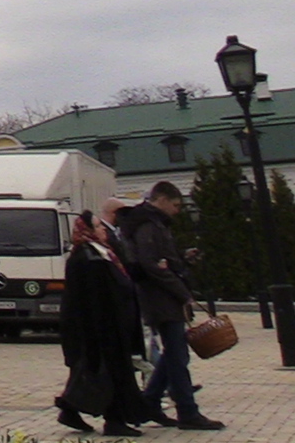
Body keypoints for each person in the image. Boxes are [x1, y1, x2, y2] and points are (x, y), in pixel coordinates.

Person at [122, 181, 223, 430]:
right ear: (162, 199)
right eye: (176, 205)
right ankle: (187, 411)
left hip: (162, 297)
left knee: (174, 353)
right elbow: (152, 264)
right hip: (160, 298)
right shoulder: (148, 224)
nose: (177, 211)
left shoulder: (152, 222)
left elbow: (159, 260)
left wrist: (178, 261)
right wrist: (182, 292)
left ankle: (150, 402)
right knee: (178, 355)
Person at [56, 212, 147, 436]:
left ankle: (70, 409)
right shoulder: (86, 257)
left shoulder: (100, 252)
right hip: (101, 328)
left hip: (111, 324)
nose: (103, 230)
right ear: (87, 230)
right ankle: (114, 420)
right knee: (109, 373)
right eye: (98, 227)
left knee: (92, 373)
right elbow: (90, 298)